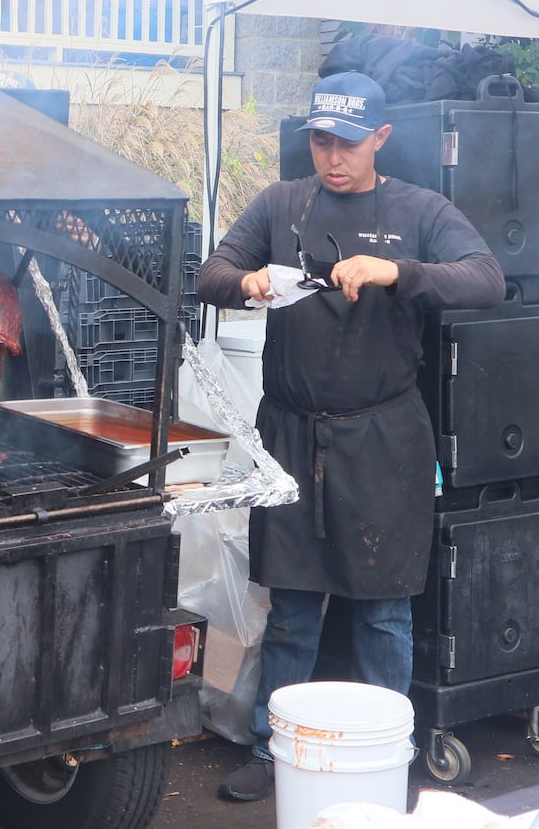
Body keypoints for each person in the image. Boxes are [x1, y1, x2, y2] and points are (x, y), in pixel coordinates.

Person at [196, 71, 505, 802]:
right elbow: (210, 272)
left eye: (349, 143)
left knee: (382, 610)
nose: (333, 157)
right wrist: (248, 283)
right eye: (321, 142)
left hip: (383, 437)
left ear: (381, 138)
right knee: (293, 607)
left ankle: (382, 755)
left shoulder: (420, 209)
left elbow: (487, 279)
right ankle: (274, 751)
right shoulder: (280, 203)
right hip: (291, 434)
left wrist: (398, 270)